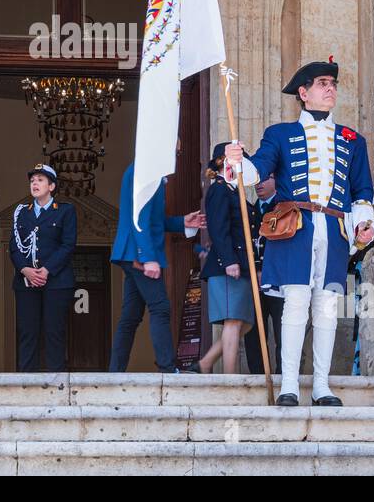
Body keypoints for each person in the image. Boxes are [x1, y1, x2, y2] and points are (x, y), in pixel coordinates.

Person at [225, 58, 374, 407]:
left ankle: (322, 386)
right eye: (322, 83)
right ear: (304, 93)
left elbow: (362, 192)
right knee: (295, 304)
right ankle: (289, 385)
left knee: (326, 307)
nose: (330, 88)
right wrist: (236, 161)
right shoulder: (280, 134)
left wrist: (363, 224)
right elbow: (257, 172)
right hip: (295, 227)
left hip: (335, 227)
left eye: (333, 84)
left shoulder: (353, 139)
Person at [108, 157, 206, 373]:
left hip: (131, 251)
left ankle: (115, 372)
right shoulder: (146, 171)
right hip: (137, 252)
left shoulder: (147, 170)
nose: (175, 157)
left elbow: (154, 219)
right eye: (175, 151)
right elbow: (139, 217)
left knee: (131, 316)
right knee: (160, 307)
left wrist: (182, 222)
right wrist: (146, 257)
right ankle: (167, 368)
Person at [9, 163, 77, 371]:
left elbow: (68, 245)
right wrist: (25, 270)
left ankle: (56, 378)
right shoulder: (21, 212)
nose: (35, 184)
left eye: (40, 180)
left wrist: (46, 270)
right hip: (26, 281)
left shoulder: (65, 211)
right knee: (27, 330)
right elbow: (14, 246)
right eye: (32, 181)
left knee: (54, 330)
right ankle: (26, 379)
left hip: (56, 281)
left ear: (52, 186)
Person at [197, 142, 256, 374]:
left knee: (241, 323)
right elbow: (218, 228)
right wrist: (229, 260)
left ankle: (205, 363)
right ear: (224, 161)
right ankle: (229, 378)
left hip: (239, 264)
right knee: (232, 322)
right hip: (227, 265)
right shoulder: (219, 189)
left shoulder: (234, 191)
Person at [244, 176, 286, 375]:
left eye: (267, 178)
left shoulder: (284, 208)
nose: (259, 184)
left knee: (282, 331)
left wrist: (265, 269)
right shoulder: (248, 210)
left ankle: (283, 377)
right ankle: (259, 376)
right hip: (253, 281)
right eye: (257, 179)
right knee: (252, 333)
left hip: (279, 280)